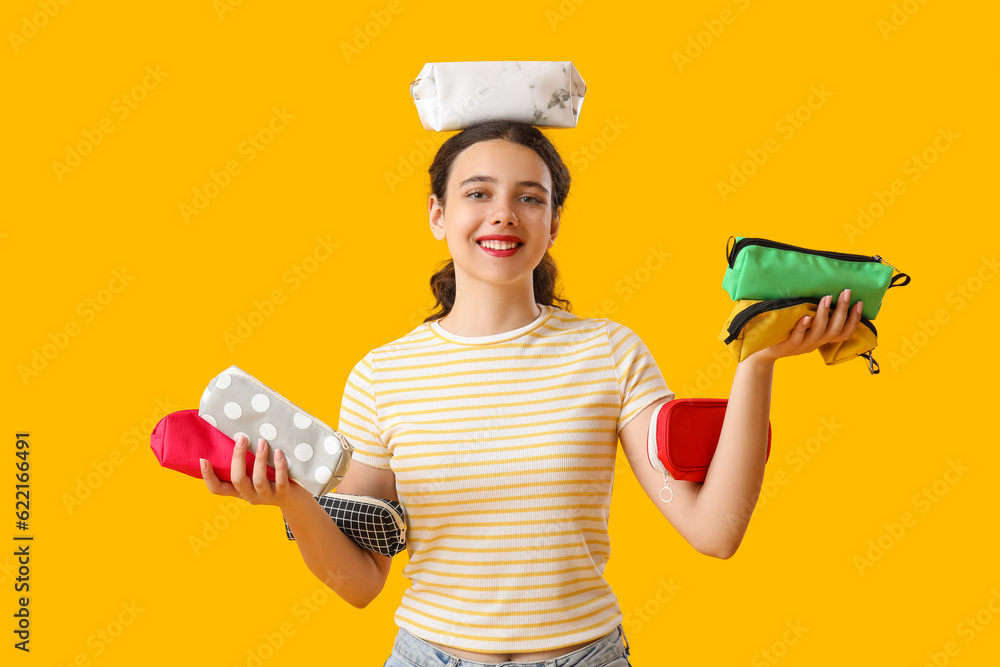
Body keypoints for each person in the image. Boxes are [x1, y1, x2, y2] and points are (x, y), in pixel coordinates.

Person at [200, 120, 864, 666]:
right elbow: (361, 581)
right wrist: (289, 495)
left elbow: (713, 528)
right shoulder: (383, 374)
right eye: (478, 193)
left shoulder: (608, 352)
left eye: (530, 197)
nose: (504, 215)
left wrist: (759, 362)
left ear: (553, 221)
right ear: (438, 213)